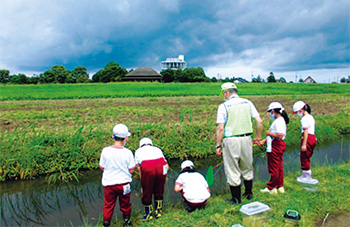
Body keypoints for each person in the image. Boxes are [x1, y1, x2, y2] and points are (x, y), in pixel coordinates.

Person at [216, 82, 263, 204]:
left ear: (226, 92)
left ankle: (236, 199)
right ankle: (249, 193)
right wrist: (258, 137)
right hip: (247, 138)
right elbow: (259, 121)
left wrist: (218, 145)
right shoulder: (248, 102)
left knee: (232, 169)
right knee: (247, 166)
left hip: (231, 140)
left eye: (223, 93)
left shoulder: (223, 106)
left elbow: (220, 128)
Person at [99, 124, 136, 227]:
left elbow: (102, 167)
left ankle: (106, 224)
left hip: (109, 184)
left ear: (113, 136)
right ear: (126, 138)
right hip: (124, 184)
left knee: (108, 206)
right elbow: (132, 170)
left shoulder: (105, 151)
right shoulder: (128, 152)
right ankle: (127, 222)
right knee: (125, 204)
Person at [134, 137, 168, 221]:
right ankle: (158, 212)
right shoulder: (157, 149)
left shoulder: (138, 151)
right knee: (159, 189)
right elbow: (166, 164)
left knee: (147, 191)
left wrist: (143, 183)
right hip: (161, 165)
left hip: (148, 166)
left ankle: (148, 214)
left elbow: (139, 168)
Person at [260, 102, 289, 194]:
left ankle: (272, 188)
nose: (270, 114)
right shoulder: (280, 120)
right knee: (279, 166)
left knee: (273, 167)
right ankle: (280, 186)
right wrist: (263, 141)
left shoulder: (279, 121)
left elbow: (279, 136)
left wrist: (269, 133)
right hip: (277, 144)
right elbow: (275, 135)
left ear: (273, 111)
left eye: (270, 112)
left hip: (275, 146)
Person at [293, 101, 317, 181]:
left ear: (301, 111)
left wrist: (304, 144)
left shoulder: (304, 119)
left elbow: (306, 131)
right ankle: (306, 174)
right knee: (307, 156)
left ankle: (306, 176)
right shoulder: (310, 117)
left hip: (307, 138)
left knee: (304, 157)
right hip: (313, 137)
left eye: (297, 112)